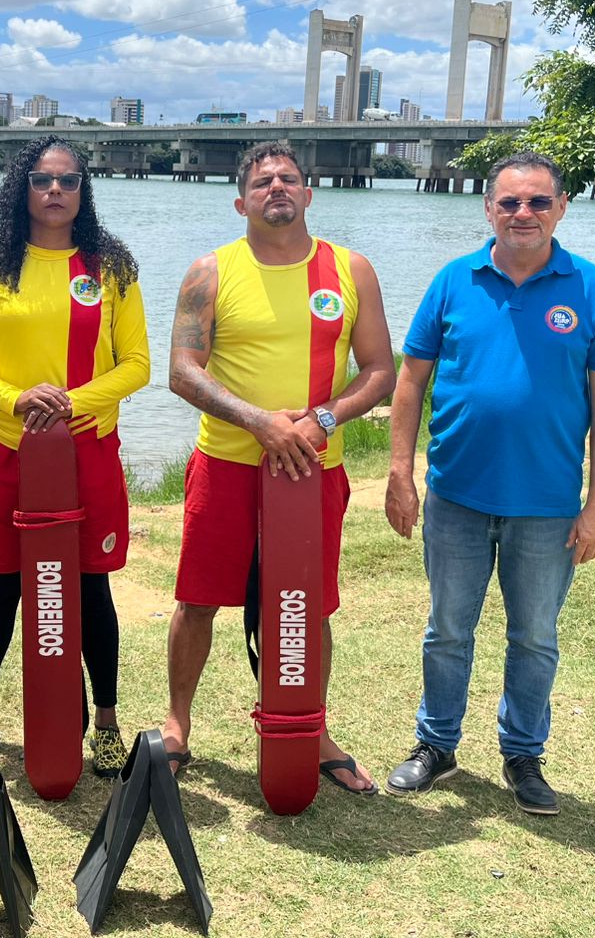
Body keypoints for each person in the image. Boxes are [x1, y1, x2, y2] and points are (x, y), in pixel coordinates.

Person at [383, 150, 595, 815]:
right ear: (488, 207)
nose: (524, 214)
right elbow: (411, 379)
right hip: (456, 496)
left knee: (535, 638)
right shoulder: (453, 281)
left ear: (562, 208)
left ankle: (523, 755)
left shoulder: (593, 289)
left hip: (547, 506)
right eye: (511, 202)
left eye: (539, 202)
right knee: (447, 631)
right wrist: (400, 471)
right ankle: (436, 746)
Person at [164, 141, 396, 793]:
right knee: (199, 600)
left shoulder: (351, 270)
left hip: (314, 470)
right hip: (227, 463)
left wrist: (320, 420)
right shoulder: (210, 271)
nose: (277, 188)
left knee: (307, 606)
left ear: (309, 194)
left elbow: (379, 371)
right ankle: (178, 723)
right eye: (263, 181)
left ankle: (310, 727)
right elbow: (183, 372)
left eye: (289, 179)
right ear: (241, 200)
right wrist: (259, 421)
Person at [0, 135, 150, 778]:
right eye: (40, 179)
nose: (54, 190)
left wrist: (71, 404)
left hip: (86, 451)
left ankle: (107, 724)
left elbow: (137, 365)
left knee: (91, 586)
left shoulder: (110, 267)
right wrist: (14, 399)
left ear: (84, 190)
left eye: (68, 179)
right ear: (20, 188)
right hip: (7, 450)